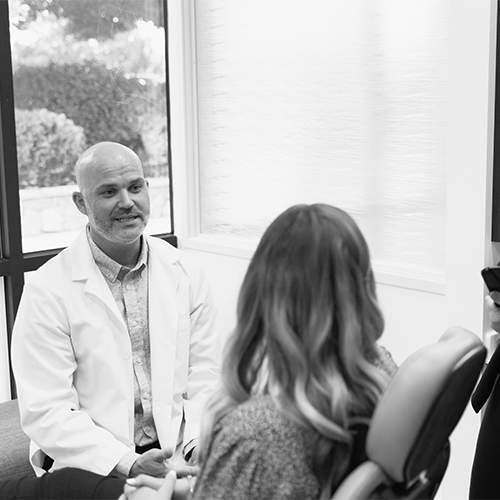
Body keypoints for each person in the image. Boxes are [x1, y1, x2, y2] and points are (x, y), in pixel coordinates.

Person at [122, 203, 398, 500]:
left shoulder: (253, 435)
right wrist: (190, 491)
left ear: (260, 293)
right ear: (362, 284)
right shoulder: (382, 372)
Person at [10, 142, 220, 485]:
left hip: (177, 448)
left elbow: (207, 374)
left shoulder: (186, 271)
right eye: (109, 192)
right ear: (81, 203)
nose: (127, 202)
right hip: (92, 461)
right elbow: (47, 411)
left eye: (135, 187)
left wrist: (199, 444)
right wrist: (128, 463)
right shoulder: (46, 289)